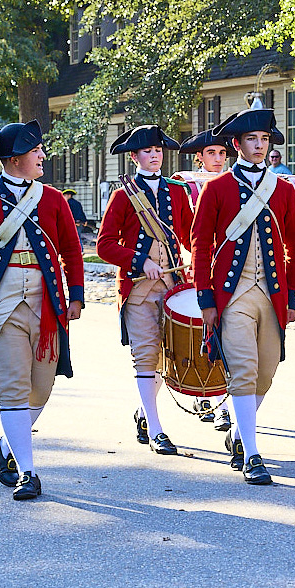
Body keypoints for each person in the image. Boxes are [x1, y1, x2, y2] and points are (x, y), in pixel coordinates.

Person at [0, 119, 85, 501]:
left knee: (42, 386)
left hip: (46, 305)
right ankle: (28, 472)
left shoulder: (53, 199)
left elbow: (72, 250)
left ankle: (6, 447)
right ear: (14, 158)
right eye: (34, 150)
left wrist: (75, 295)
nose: (42, 155)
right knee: (13, 389)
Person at [191, 105, 295, 485]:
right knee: (243, 370)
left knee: (266, 373)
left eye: (265, 140)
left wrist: (293, 299)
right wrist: (205, 299)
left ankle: (239, 435)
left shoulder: (285, 190)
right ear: (236, 144)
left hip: (271, 295)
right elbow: (202, 246)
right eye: (252, 140)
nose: (259, 146)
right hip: (232, 296)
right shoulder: (218, 187)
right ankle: (253, 456)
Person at [97, 125, 194, 456]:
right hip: (138, 289)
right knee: (146, 355)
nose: (154, 156)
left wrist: (194, 260)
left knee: (169, 356)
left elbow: (191, 236)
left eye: (158, 150)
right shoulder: (123, 195)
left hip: (173, 285)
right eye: (147, 151)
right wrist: (138, 261)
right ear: (135, 156)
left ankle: (143, 411)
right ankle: (157, 429)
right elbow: (105, 245)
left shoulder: (178, 192)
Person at [176, 127, 236, 431]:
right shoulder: (186, 184)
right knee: (199, 330)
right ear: (199, 157)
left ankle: (226, 404)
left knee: (229, 335)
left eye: (222, 153)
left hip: (229, 265)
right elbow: (186, 230)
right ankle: (201, 392)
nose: (218, 158)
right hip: (198, 262)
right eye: (211, 153)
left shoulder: (234, 182)